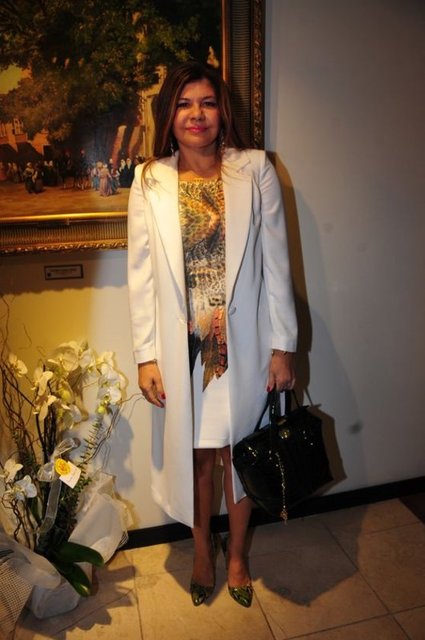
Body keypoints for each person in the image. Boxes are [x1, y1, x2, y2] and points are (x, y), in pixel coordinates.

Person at [127, 61, 297, 608]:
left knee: (239, 455)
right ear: (168, 115)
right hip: (187, 355)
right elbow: (141, 275)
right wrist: (146, 356)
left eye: (205, 102)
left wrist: (283, 347)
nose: (195, 114)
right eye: (183, 104)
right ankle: (203, 551)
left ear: (222, 111)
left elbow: (276, 264)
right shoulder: (149, 179)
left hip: (243, 346)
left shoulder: (256, 169)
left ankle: (238, 555)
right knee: (198, 458)